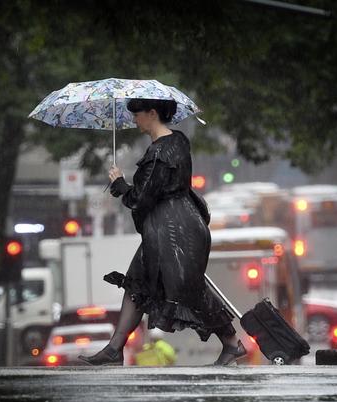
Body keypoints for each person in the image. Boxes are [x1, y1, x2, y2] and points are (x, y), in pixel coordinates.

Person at [79, 98, 246, 366]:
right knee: (138, 282)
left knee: (188, 288)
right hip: (176, 224)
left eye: (137, 115)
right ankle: (114, 347)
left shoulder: (160, 152)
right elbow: (154, 191)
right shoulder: (177, 142)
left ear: (152, 113)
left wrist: (120, 184)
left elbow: (140, 198)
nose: (134, 121)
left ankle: (231, 342)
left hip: (173, 229)